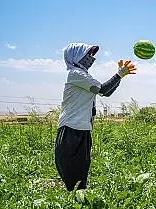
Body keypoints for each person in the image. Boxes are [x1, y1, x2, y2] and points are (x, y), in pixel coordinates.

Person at [55, 42, 136, 191]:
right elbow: (103, 89)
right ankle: (74, 204)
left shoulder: (84, 75)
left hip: (83, 127)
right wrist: (119, 75)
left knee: (81, 168)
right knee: (70, 169)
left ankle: (79, 202)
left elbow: (106, 92)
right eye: (88, 54)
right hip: (70, 128)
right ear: (76, 57)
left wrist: (120, 76)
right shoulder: (75, 74)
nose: (91, 58)